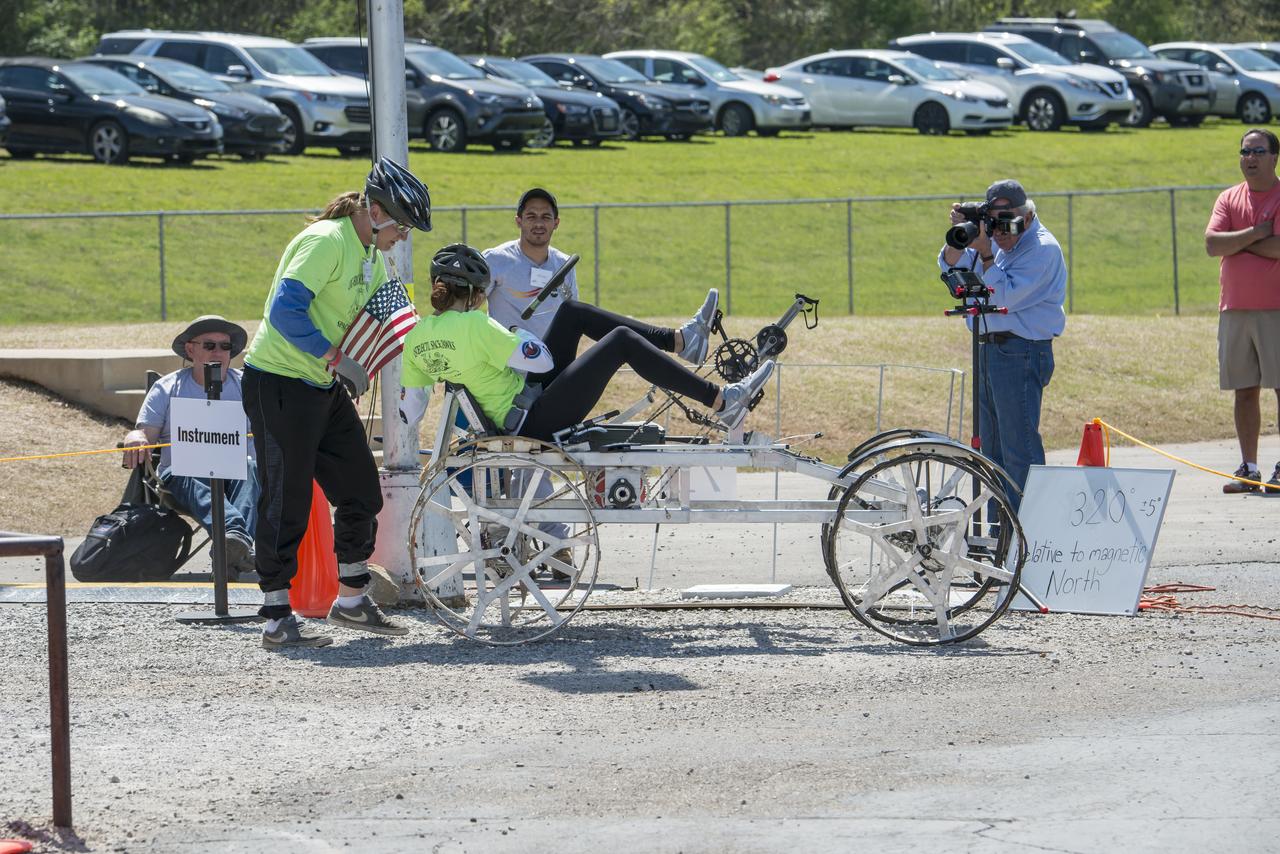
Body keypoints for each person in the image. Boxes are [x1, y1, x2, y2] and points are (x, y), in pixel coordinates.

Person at [242, 156, 432, 649]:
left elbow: (380, 313)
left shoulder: (369, 251)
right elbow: (285, 311)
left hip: (319, 385)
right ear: (377, 211)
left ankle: (350, 600)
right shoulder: (326, 241)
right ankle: (276, 617)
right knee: (287, 500)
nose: (404, 238)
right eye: (403, 226)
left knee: (361, 490)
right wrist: (335, 357)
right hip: (279, 383)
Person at [398, 244, 773, 446]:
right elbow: (542, 363)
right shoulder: (478, 326)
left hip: (517, 409)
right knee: (621, 341)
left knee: (572, 311)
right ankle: (722, 401)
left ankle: (681, 341)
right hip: (533, 419)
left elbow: (411, 412)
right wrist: (519, 336)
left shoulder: (416, 338)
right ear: (477, 294)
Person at [939, 178, 1066, 509]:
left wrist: (984, 252)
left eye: (1007, 226)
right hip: (989, 348)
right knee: (990, 452)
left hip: (1022, 352)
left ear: (1026, 217)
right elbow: (949, 268)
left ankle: (1029, 534)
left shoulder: (1043, 249)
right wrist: (962, 235)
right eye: (994, 226)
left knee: (1018, 448)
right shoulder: (993, 236)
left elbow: (1003, 296)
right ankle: (999, 535)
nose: (1000, 235)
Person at [121, 315, 259, 576]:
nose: (218, 352)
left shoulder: (247, 386)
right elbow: (143, 435)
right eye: (209, 345)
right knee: (187, 467)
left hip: (237, 473)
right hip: (183, 475)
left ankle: (232, 547)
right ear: (191, 349)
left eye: (225, 347)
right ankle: (235, 539)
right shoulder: (167, 387)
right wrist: (135, 438)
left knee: (250, 466)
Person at [1204, 128, 1280, 495]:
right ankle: (1249, 468)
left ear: (1273, 157)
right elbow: (1212, 243)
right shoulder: (1228, 198)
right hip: (1234, 309)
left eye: (1258, 151)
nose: (1249, 158)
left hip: (1275, 310)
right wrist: (1254, 235)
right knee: (1244, 390)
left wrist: (1237, 243)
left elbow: (1279, 249)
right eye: (1244, 152)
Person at [483, 187, 578, 340]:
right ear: (518, 221)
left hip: (553, 358)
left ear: (556, 223)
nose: (539, 223)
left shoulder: (564, 264)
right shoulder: (495, 259)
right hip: (508, 358)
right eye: (531, 216)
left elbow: (573, 315)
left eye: (546, 217)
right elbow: (469, 308)